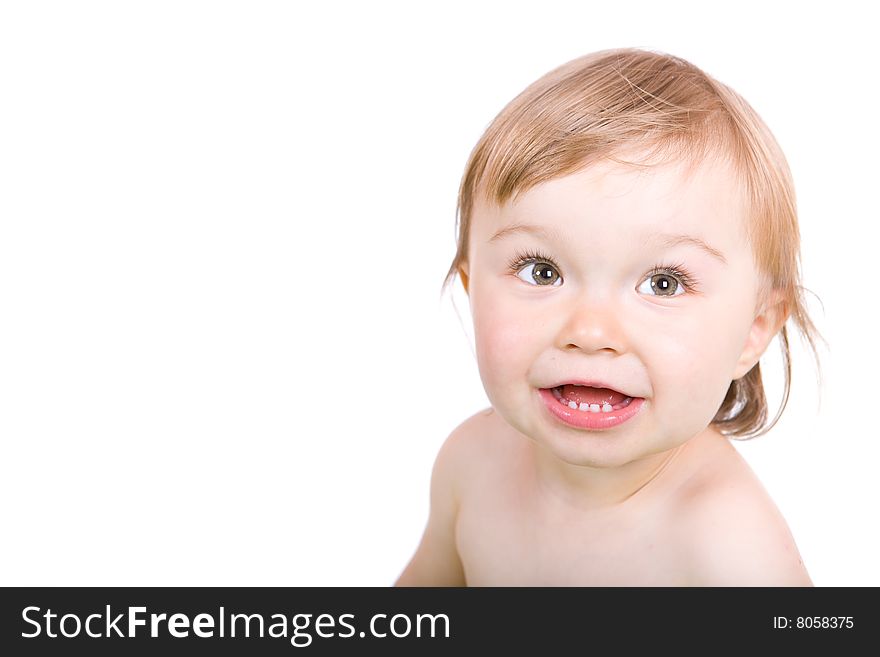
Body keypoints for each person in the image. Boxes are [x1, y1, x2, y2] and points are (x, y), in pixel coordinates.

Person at [395, 47, 824, 586]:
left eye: (663, 284)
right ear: (469, 285)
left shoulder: (729, 546)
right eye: (542, 271)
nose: (590, 332)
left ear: (754, 329)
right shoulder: (471, 464)